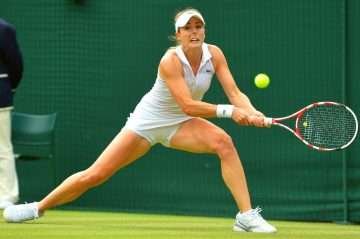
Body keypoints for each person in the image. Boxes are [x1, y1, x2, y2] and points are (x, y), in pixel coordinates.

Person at [3, 8, 276, 233]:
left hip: (180, 124)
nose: (194, 32)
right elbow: (188, 104)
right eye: (187, 28)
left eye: (198, 26)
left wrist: (253, 112)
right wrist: (230, 112)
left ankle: (245, 215)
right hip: (148, 122)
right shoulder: (170, 61)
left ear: (204, 30)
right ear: (178, 34)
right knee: (95, 174)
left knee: (223, 143)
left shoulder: (214, 54)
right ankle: (36, 208)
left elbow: (236, 93)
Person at [0, 18, 23, 209]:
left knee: (2, 148)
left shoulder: (5, 29)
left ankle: (7, 196)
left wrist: (8, 88)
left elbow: (15, 64)